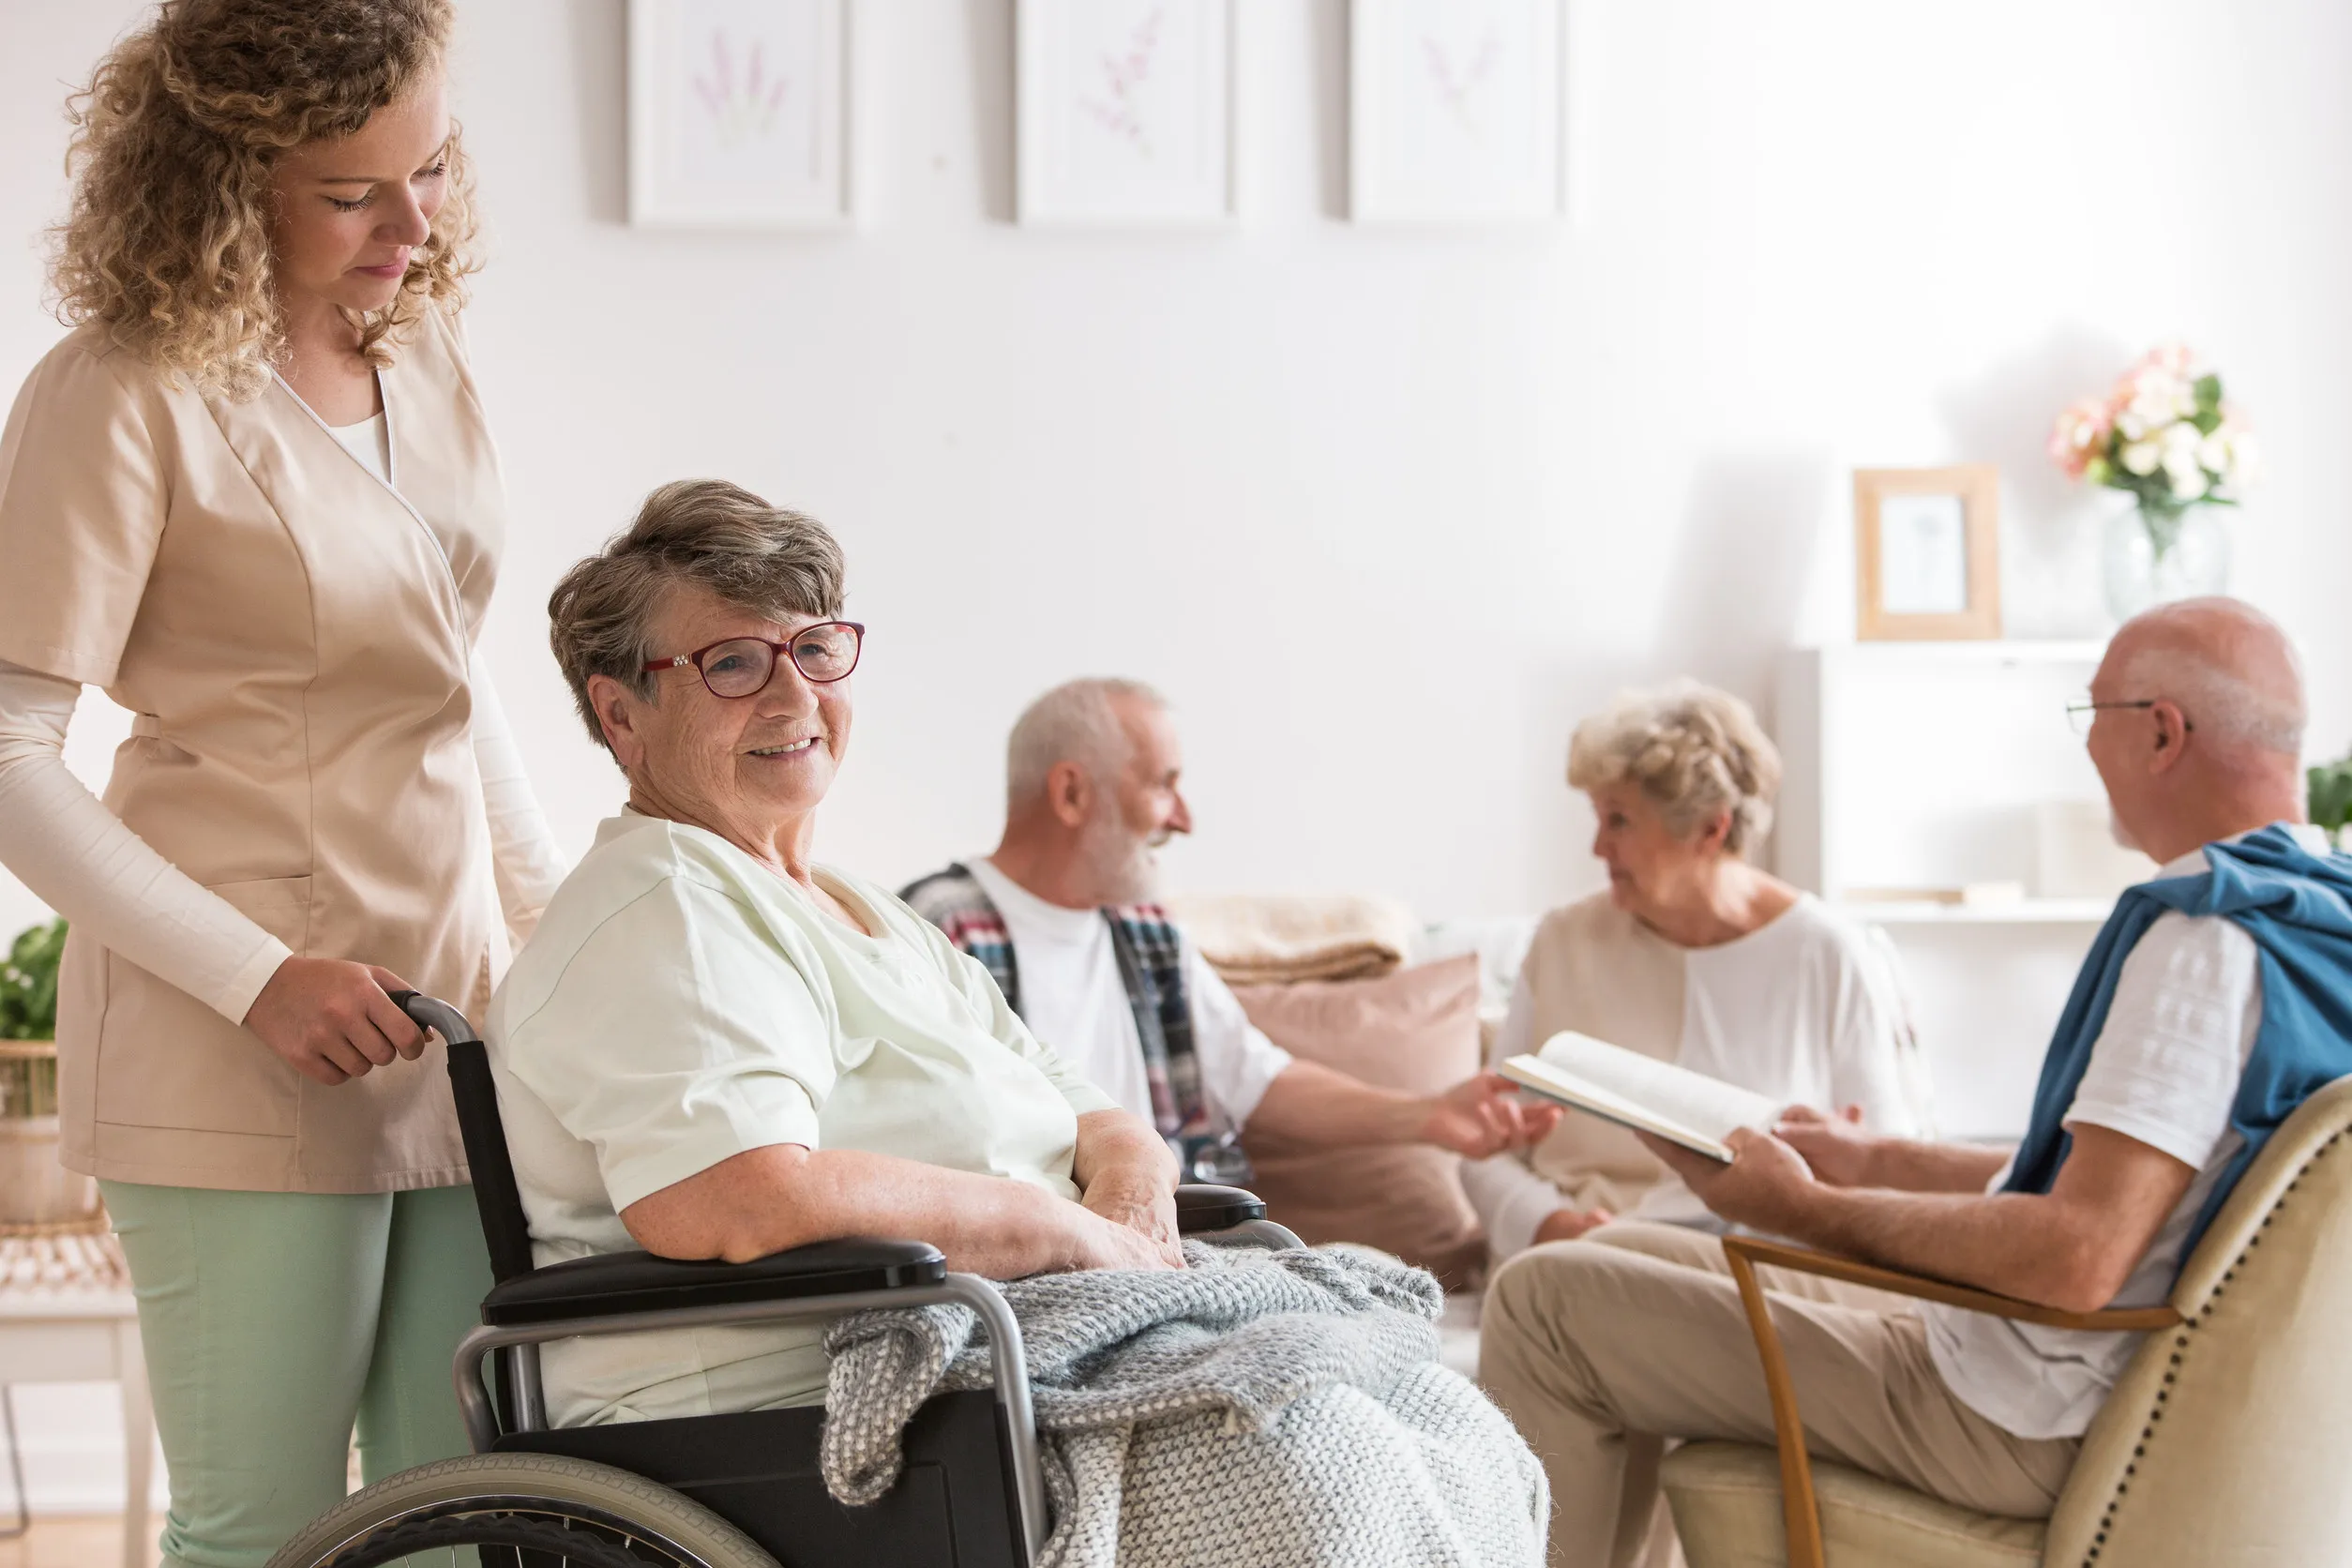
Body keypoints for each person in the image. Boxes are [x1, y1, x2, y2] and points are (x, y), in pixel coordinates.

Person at [0, 4, 565, 1562]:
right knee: (267, 1529)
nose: (412, 226)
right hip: (233, 1039)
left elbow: (454, 678)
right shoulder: (118, 395)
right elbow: (7, 753)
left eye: (431, 171)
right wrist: (257, 978)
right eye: (351, 193)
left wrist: (559, 922)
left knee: (467, 1515)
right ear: (219, 175)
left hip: (450, 1023)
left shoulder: (420, 351)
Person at [1478, 597, 2352, 1568]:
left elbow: (2077, 1254)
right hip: (2076, 1377)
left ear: (2160, 731)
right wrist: (1873, 1157)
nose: (2085, 746)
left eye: (2092, 712)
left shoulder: (2204, 943)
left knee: (1543, 1302)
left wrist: (1802, 1207)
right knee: (1631, 1251)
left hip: (2020, 1411)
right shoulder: (2312, 918)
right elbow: (2120, 1200)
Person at [901, 678, 1558, 1184]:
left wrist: (1428, 1116)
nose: (1183, 819)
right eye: (1163, 785)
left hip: (1169, 1253)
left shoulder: (1146, 932)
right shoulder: (936, 928)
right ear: (1072, 794)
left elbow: (1259, 1080)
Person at [1460, 681, 1924, 1262]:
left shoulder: (1828, 953)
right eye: (1597, 817)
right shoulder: (1561, 943)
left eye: (1620, 821)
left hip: (1755, 1266)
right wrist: (1549, 1225)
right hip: (1581, 1260)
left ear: (1712, 829)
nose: (1597, 846)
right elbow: (1483, 1145)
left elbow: (1888, 1164)